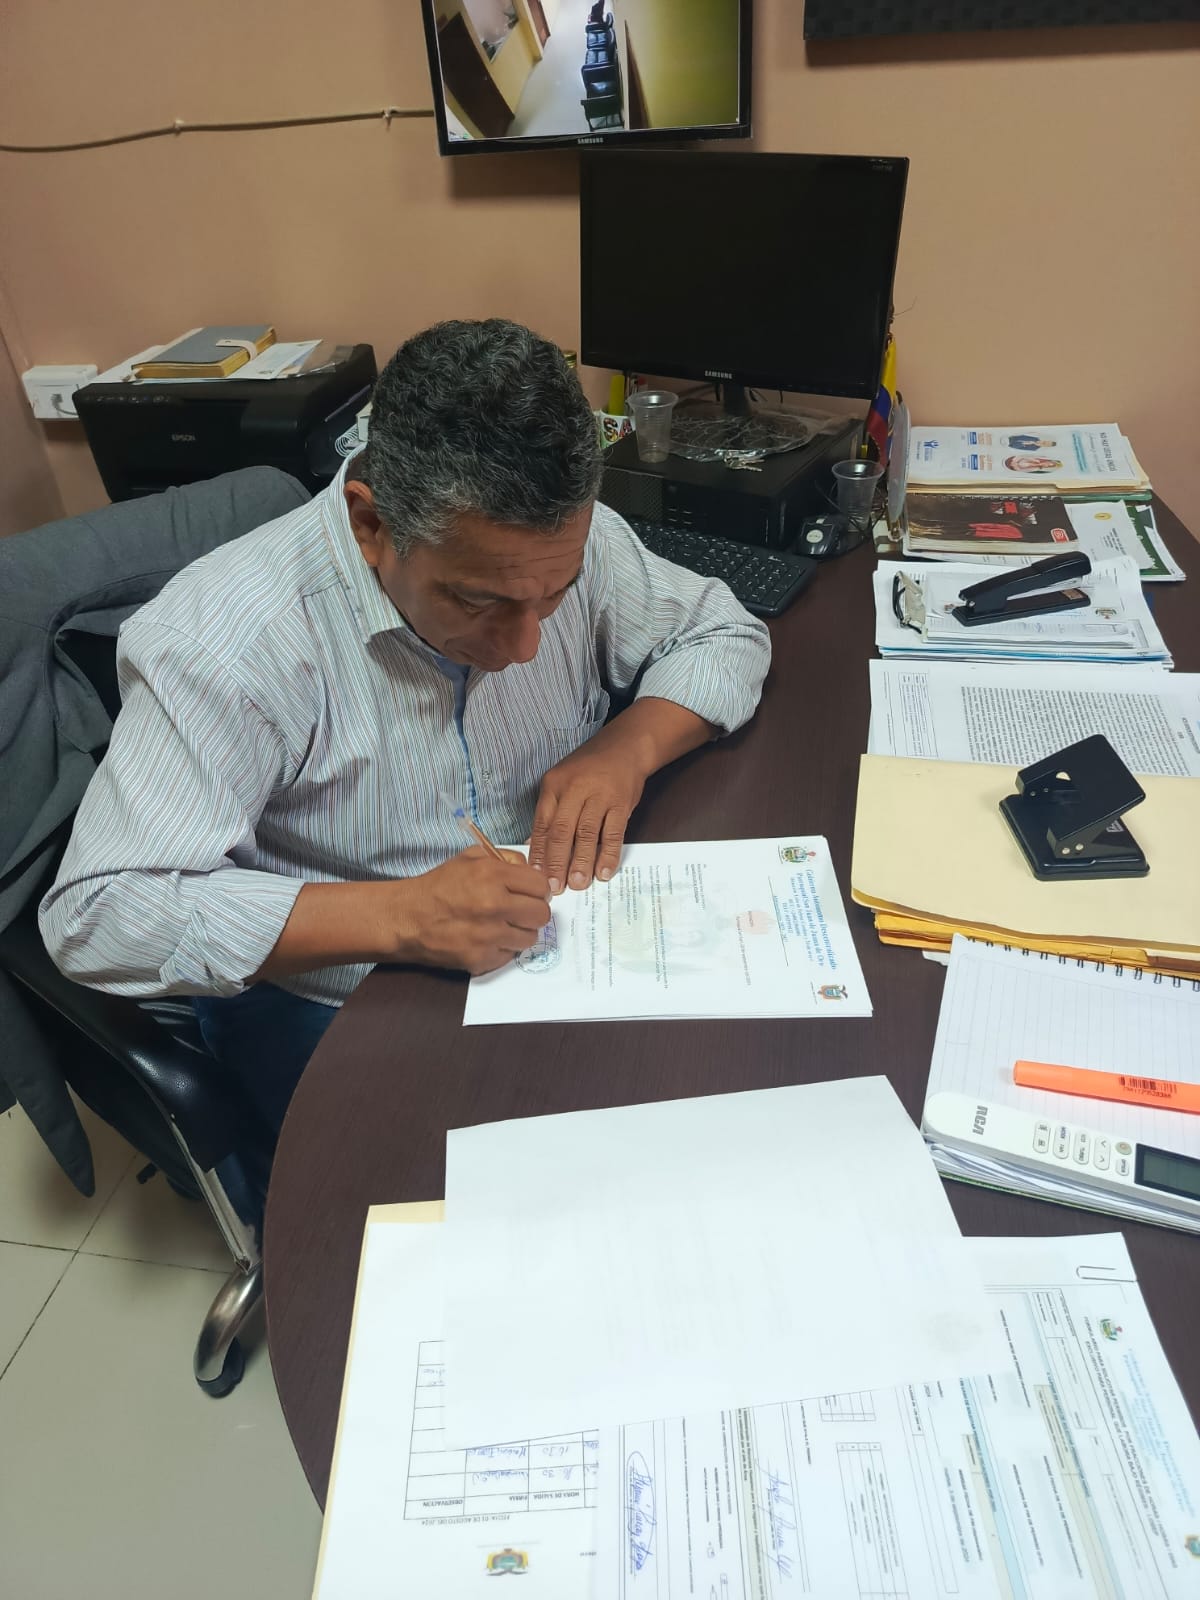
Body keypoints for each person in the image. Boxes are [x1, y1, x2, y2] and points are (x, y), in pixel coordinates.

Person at [39, 319, 770, 1176]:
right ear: (371, 524)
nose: (526, 647)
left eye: (555, 597)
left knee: (703, 1131)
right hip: (344, 992)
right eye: (478, 602)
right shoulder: (224, 646)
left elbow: (723, 631)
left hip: (557, 938)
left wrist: (626, 746)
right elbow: (97, 915)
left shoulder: (557, 541)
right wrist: (402, 916)